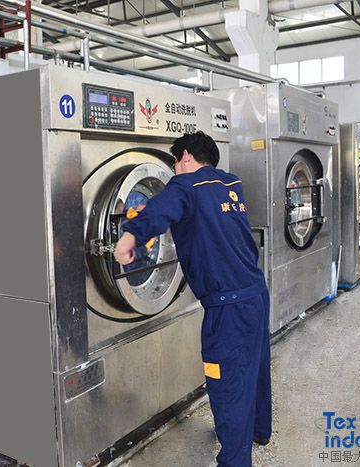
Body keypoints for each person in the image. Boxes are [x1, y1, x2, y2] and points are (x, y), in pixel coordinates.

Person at [113, 131, 272, 467]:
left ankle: (234, 461)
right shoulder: (230, 183)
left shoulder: (186, 185)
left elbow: (160, 210)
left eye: (174, 163)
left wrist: (129, 236)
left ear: (185, 156)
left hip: (227, 306)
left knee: (226, 383)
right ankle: (259, 430)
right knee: (254, 368)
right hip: (256, 292)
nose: (174, 170)